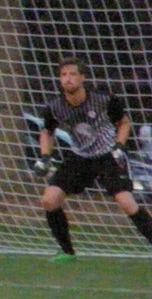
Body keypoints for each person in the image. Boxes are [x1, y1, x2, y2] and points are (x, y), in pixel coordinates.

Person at [33, 57, 152, 262]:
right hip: (81, 157)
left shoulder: (104, 100)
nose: (68, 79)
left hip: (108, 155)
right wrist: (45, 157)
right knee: (50, 200)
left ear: (82, 77)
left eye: (73, 74)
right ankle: (67, 252)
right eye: (63, 75)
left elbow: (124, 123)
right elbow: (47, 132)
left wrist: (119, 145)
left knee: (126, 202)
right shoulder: (54, 107)